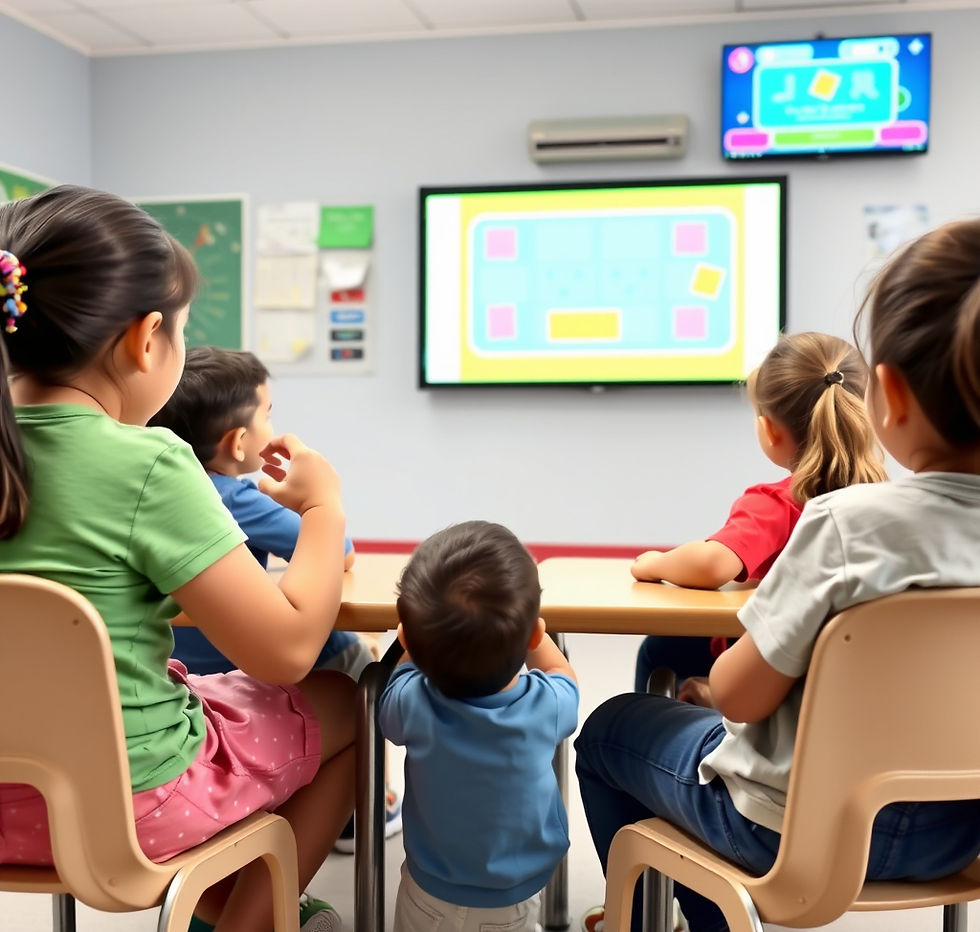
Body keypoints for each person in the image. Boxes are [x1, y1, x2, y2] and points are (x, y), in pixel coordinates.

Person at [574, 217, 980, 932]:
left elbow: (742, 699)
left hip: (794, 833)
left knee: (608, 730)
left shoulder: (849, 524)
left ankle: (645, 918)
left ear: (890, 394)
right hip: (962, 838)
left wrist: (706, 689)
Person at [0, 185, 356, 932]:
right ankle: (249, 920)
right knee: (343, 703)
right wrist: (323, 508)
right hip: (127, 814)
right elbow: (287, 650)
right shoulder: (147, 463)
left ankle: (231, 896)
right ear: (144, 339)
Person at [149, 345, 402, 850]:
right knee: (355, 656)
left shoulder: (160, 485)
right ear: (239, 441)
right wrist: (317, 500)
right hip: (245, 665)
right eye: (269, 414)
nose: (272, 424)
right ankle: (371, 803)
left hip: (178, 668)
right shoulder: (235, 495)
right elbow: (342, 552)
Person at [630, 331, 887, 698]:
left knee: (660, 648)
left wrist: (655, 563)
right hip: (853, 677)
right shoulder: (887, 503)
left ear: (768, 429)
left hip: (765, 671)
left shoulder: (777, 503)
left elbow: (711, 565)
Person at [378, 521, 579, 932]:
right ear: (534, 635)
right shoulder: (545, 705)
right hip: (513, 900)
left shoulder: (411, 702)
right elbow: (564, 675)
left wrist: (411, 644)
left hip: (427, 893)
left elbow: (394, 688)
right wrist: (534, 638)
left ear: (410, 641)